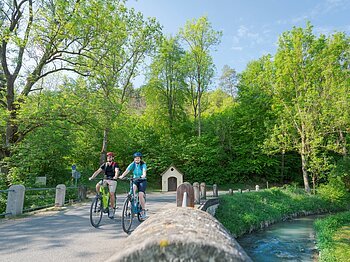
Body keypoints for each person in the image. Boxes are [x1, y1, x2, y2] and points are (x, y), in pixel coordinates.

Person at [89, 152, 119, 218]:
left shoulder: (115, 164)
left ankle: (112, 208)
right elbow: (97, 171)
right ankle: (100, 198)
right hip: (105, 179)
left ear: (113, 158)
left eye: (110, 157)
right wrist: (92, 177)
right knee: (97, 185)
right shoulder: (104, 164)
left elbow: (117, 171)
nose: (109, 158)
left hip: (112, 180)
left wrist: (115, 176)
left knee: (111, 194)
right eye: (108, 157)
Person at [119, 152, 147, 219]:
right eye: (136, 158)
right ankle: (131, 206)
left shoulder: (143, 164)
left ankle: (143, 210)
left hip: (142, 180)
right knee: (132, 191)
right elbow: (127, 170)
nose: (137, 159)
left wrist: (143, 175)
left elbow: (144, 172)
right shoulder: (132, 164)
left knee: (140, 195)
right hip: (135, 179)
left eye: (138, 158)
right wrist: (122, 176)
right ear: (134, 159)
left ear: (140, 159)